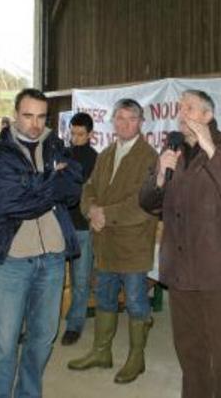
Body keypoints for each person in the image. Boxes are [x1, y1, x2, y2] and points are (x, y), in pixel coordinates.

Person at [139, 90, 221, 398]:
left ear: (207, 116)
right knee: (190, 349)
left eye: (189, 108)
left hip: (216, 269)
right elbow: (148, 203)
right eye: (180, 108)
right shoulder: (172, 148)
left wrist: (210, 149)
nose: (181, 113)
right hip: (178, 268)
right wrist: (159, 180)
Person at [0, 88, 82, 398]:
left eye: (41, 116)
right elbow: (10, 204)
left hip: (52, 258)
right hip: (12, 259)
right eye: (27, 115)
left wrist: (32, 184)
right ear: (15, 114)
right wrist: (50, 178)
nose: (35, 124)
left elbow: (73, 191)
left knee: (43, 337)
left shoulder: (56, 145)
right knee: (3, 343)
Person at [68, 99, 158, 384]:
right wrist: (91, 210)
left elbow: (144, 203)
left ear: (141, 122)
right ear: (113, 121)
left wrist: (105, 213)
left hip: (132, 243)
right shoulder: (106, 153)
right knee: (105, 296)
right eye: (119, 118)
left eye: (131, 118)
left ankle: (137, 357)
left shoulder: (149, 157)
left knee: (135, 301)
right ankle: (101, 351)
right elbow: (89, 187)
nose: (124, 123)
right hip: (104, 241)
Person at [61, 112, 98, 345]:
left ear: (90, 134)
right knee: (51, 279)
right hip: (59, 224)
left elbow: (86, 188)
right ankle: (42, 325)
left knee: (81, 280)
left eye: (80, 134)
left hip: (83, 227)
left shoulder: (96, 159)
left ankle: (74, 325)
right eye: (72, 133)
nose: (75, 138)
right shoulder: (63, 153)